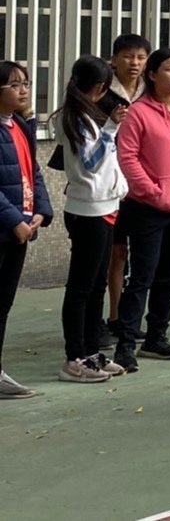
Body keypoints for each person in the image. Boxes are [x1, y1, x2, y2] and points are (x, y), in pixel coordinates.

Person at [112, 49, 170, 372]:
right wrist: (150, 190)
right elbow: (127, 157)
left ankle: (156, 336)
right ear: (152, 75)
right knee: (142, 276)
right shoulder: (138, 113)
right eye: (169, 69)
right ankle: (125, 344)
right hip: (147, 208)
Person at [56, 57, 129, 382]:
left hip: (104, 206)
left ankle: (90, 351)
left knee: (97, 284)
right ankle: (74, 357)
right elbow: (92, 162)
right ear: (100, 87)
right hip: (88, 211)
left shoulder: (83, 115)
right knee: (81, 287)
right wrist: (112, 128)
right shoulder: (74, 118)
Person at [0, 61, 51, 398]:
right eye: (15, 84)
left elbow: (33, 172)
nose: (24, 90)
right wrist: (12, 219)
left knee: (3, 304)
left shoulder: (19, 125)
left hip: (20, 228)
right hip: (7, 227)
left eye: (26, 83)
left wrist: (41, 212)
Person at [102, 33, 149, 351]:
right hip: (108, 183)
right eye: (128, 56)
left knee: (138, 253)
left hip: (140, 183)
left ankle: (128, 318)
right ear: (114, 59)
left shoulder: (150, 91)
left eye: (141, 58)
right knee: (115, 252)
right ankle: (113, 316)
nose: (134, 63)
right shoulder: (103, 91)